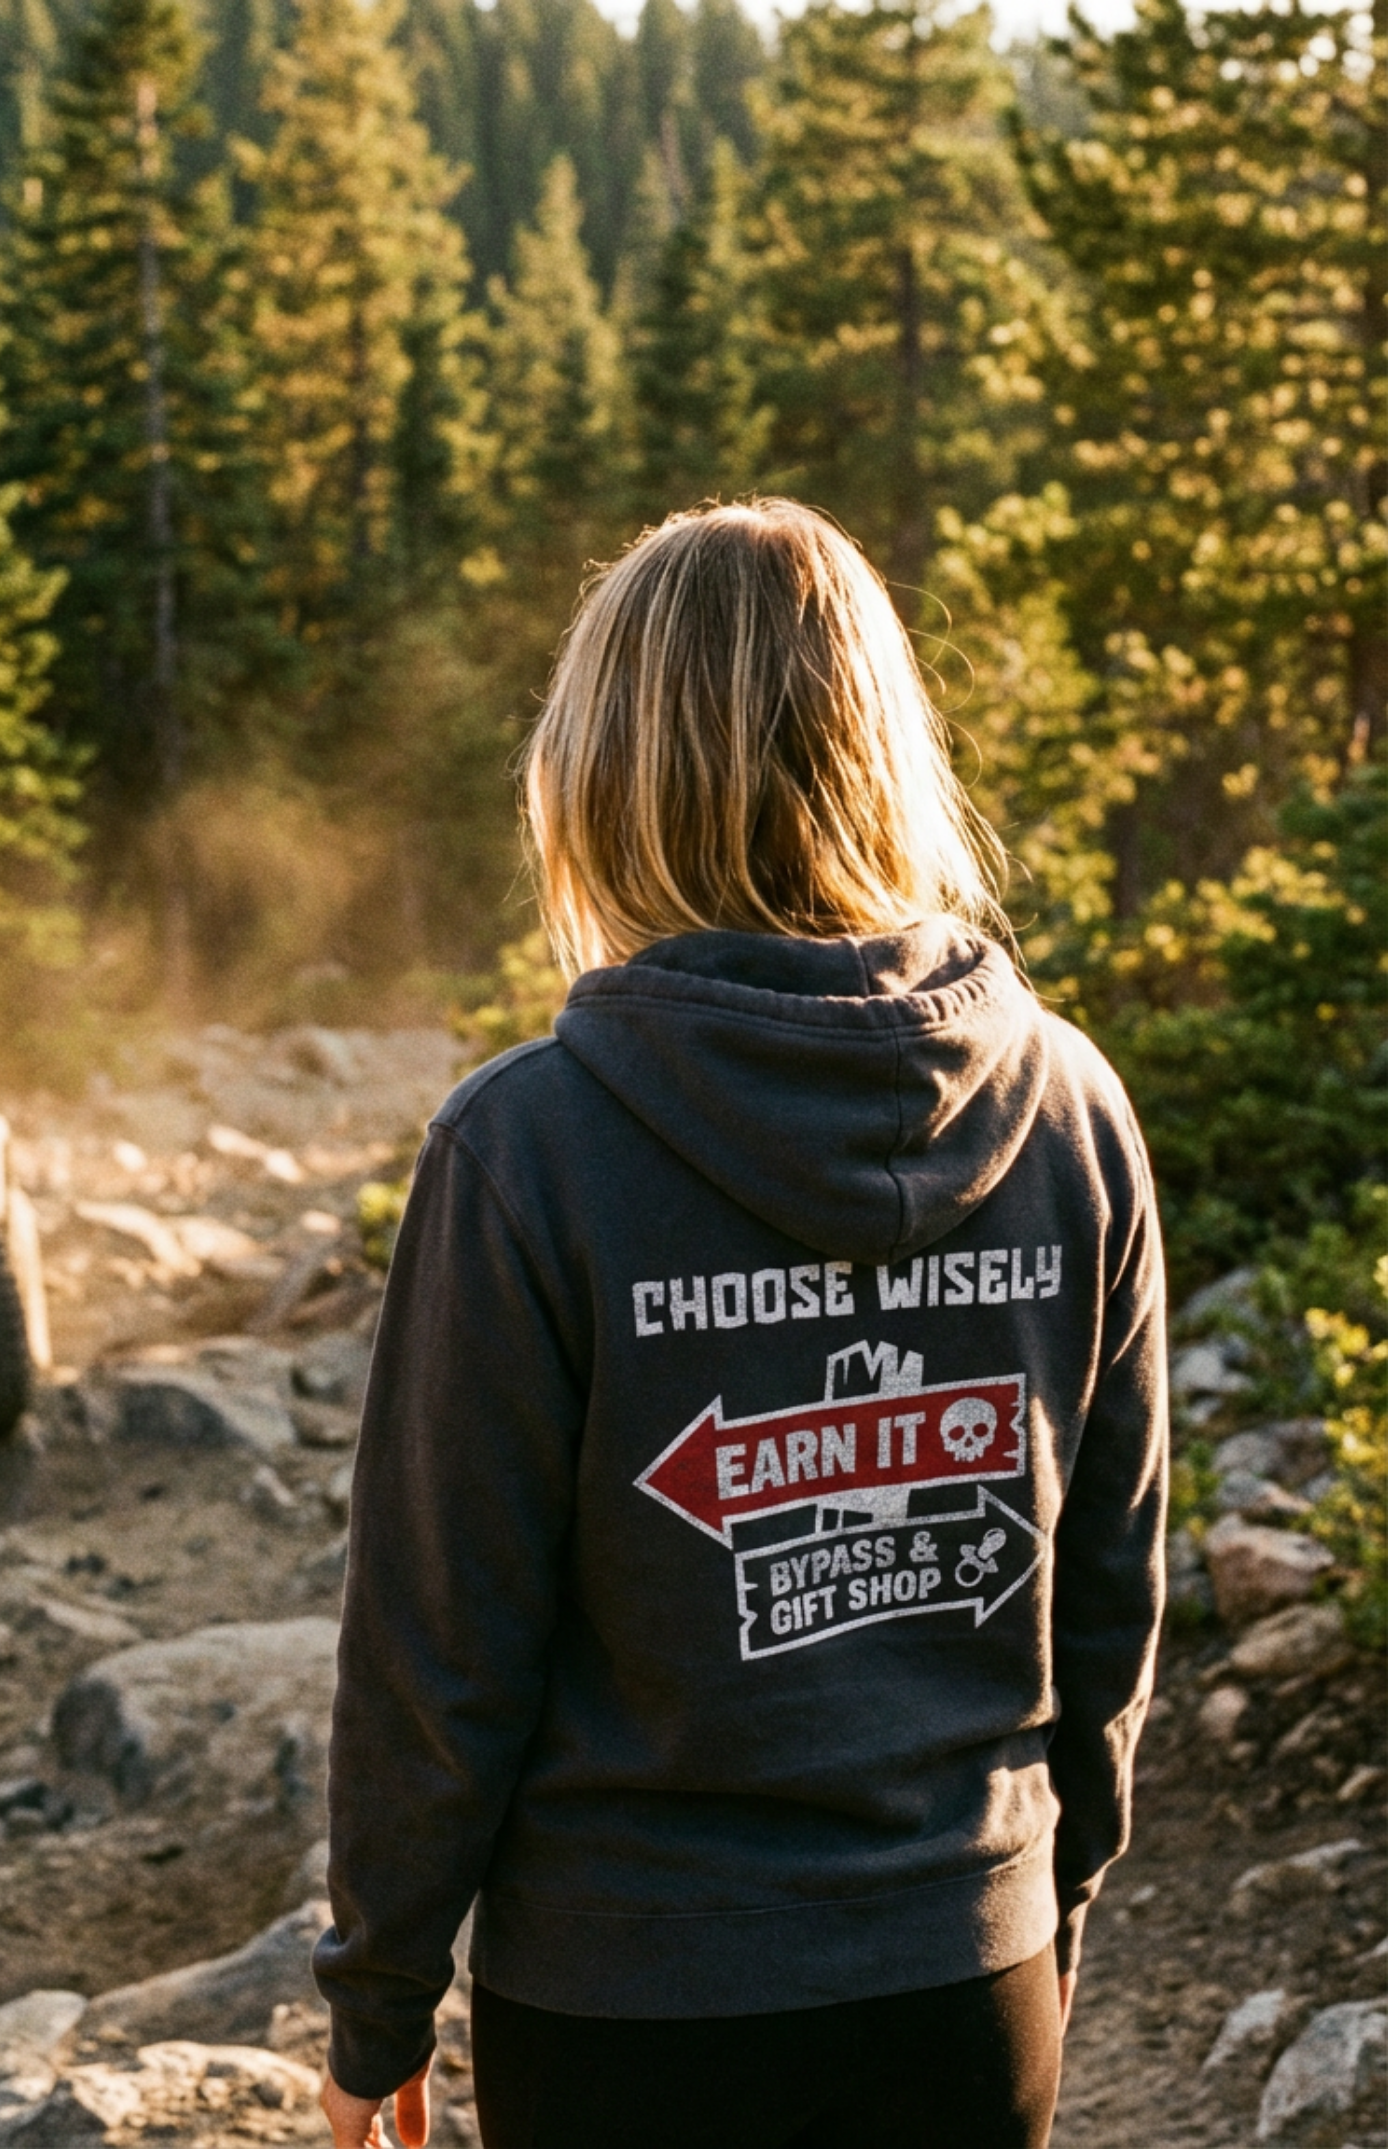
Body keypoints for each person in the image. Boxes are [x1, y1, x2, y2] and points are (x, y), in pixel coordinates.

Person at [313, 500, 1167, 2149]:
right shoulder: (1071, 1109)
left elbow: (438, 1645)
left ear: (599, 772)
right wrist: (1054, 1902)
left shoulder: (527, 1150)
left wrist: (378, 2002)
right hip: (962, 1985)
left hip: (628, 2011)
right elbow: (1105, 1598)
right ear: (881, 747)